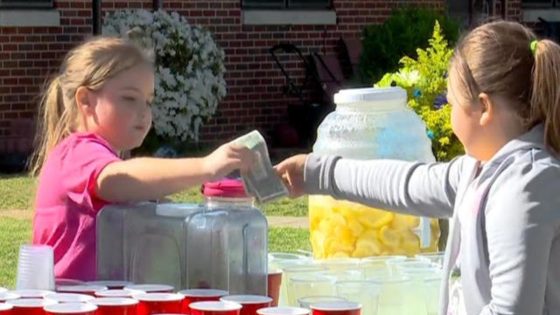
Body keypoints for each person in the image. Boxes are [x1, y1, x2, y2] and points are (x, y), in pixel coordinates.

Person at [276, 20, 560, 314]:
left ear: (483, 108)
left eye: (451, 104)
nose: (449, 118)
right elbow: (405, 183)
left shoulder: (524, 187)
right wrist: (313, 172)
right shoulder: (481, 171)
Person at [30, 37, 255, 281]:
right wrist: (205, 166)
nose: (144, 112)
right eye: (129, 98)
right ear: (85, 100)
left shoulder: (98, 156)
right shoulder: (76, 154)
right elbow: (118, 178)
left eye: (148, 101)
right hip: (71, 305)